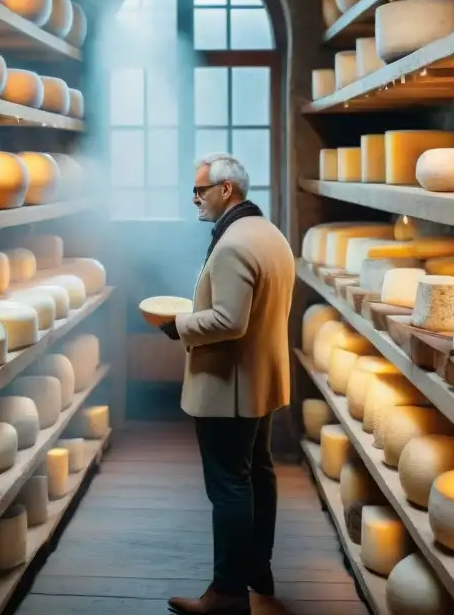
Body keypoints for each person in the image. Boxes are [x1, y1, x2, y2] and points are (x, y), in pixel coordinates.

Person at [159, 153, 296, 615]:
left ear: (226, 191)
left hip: (230, 384)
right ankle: (258, 568)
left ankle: (228, 594)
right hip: (260, 377)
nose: (194, 198)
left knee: (230, 486)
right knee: (258, 472)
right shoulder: (268, 233)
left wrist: (179, 325)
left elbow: (230, 321)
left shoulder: (235, 243)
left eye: (200, 190)